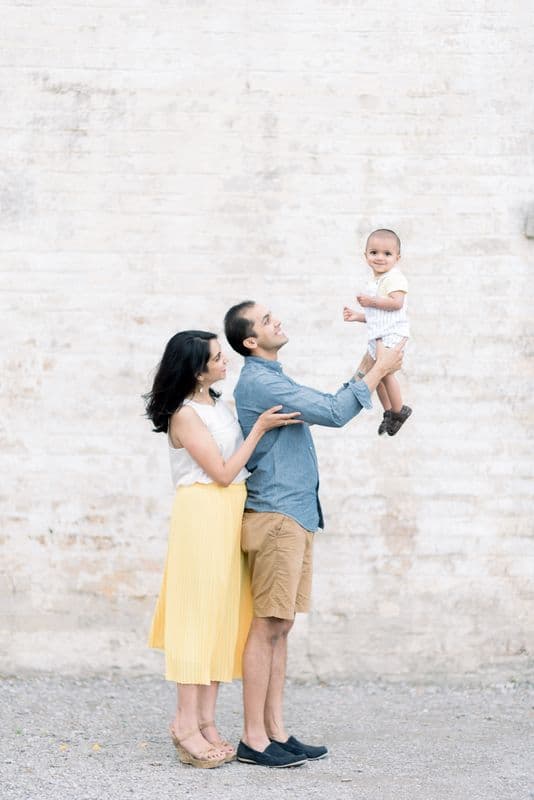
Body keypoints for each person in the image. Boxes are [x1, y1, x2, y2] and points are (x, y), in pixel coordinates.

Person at [223, 302, 404, 768]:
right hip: (276, 516)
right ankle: (253, 739)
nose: (277, 321)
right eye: (266, 320)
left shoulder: (273, 377)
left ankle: (276, 731)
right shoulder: (261, 382)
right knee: (268, 624)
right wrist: (381, 367)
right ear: (250, 341)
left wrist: (369, 362)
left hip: (295, 514)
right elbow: (333, 412)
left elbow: (330, 402)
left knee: (281, 626)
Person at [144, 330, 301, 769]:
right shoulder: (184, 415)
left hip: (229, 514)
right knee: (196, 616)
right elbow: (222, 472)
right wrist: (260, 430)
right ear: (197, 371)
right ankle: (184, 723)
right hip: (203, 514)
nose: (224, 361)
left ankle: (207, 720)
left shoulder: (218, 405)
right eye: (216, 358)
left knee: (221, 616)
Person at [343, 228, 411, 436]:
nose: (380, 257)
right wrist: (358, 316)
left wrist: (370, 301)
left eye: (387, 253)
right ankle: (388, 411)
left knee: (384, 371)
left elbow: (396, 304)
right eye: (374, 253)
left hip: (391, 334)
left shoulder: (394, 278)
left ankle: (399, 411)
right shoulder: (374, 281)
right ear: (366, 256)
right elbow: (378, 315)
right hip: (379, 333)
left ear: (397, 258)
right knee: (377, 376)